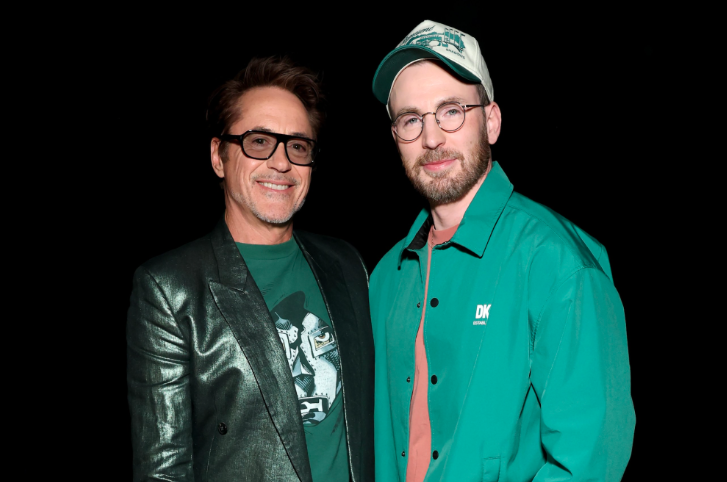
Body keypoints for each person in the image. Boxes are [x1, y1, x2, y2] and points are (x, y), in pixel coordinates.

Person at [369, 20, 635, 482]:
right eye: (411, 119)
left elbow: (589, 460)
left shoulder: (559, 263)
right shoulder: (384, 277)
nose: (431, 138)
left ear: (491, 121)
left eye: (451, 111)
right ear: (396, 138)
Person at [127, 56, 373, 482]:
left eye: (298, 146)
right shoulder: (169, 288)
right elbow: (162, 471)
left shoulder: (346, 263)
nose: (281, 163)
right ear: (218, 157)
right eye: (259, 141)